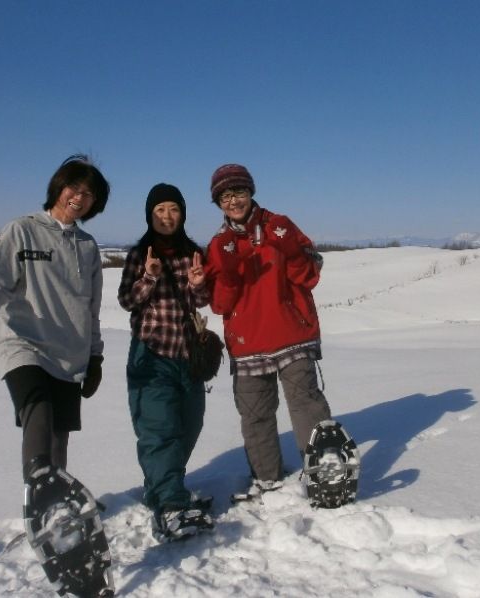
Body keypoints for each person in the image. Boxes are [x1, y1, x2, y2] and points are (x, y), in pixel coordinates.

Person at [0, 154, 109, 481]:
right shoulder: (22, 230)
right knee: (38, 412)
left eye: (89, 194)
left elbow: (92, 309)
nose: (79, 197)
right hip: (24, 346)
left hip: (70, 356)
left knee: (58, 439)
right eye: (74, 188)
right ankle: (41, 490)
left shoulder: (88, 247)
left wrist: (95, 357)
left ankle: (55, 502)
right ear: (58, 187)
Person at [205, 163, 332, 498]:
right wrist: (228, 276)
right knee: (255, 415)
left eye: (239, 192)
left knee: (306, 406)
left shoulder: (280, 225)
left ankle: (325, 472)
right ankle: (267, 480)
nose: (233, 201)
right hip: (247, 343)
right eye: (225, 197)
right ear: (218, 203)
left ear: (251, 192)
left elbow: (309, 276)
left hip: (292, 334)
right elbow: (219, 304)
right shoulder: (218, 244)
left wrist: (291, 251)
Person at [118, 183, 214, 541]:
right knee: (159, 430)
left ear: (182, 214)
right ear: (150, 215)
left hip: (188, 356)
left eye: (173, 209)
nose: (167, 216)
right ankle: (171, 505)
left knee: (190, 424)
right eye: (160, 210)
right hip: (151, 354)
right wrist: (149, 276)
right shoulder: (139, 254)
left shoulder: (194, 253)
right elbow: (127, 300)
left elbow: (201, 300)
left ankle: (160, 490)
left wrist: (199, 284)